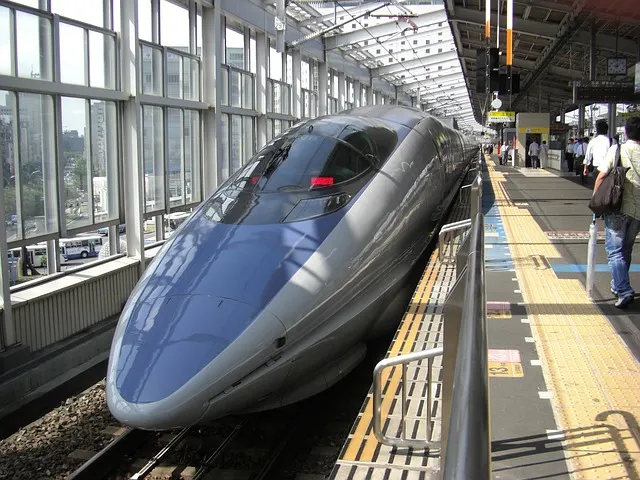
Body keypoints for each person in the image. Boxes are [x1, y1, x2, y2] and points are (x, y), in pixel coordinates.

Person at [592, 117, 640, 308]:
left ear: (626, 132)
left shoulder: (618, 149)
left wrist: (596, 202)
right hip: (638, 212)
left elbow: (602, 174)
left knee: (615, 252)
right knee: (625, 250)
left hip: (618, 207)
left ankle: (624, 290)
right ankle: (617, 284)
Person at [584, 120, 610, 185]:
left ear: (597, 130)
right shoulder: (612, 141)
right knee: (608, 191)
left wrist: (585, 168)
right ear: (607, 130)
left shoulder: (592, 141)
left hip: (597, 169)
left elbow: (588, 156)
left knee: (597, 190)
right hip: (609, 170)